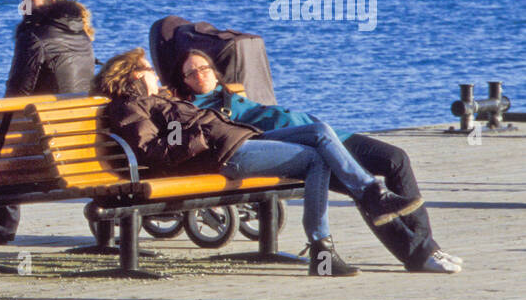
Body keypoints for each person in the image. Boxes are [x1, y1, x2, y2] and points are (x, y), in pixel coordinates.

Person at [94, 48, 422, 276]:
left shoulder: (158, 100)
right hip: (222, 156)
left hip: (239, 140)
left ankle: (361, 205)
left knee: (320, 131)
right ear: (133, 75)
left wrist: (201, 125)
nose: (154, 73)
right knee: (315, 159)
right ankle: (340, 231)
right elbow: (156, 152)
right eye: (148, 68)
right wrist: (199, 136)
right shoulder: (129, 108)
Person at [175, 49, 459, 273]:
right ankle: (419, 254)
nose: (200, 75)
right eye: (191, 73)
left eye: (204, 68)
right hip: (299, 146)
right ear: (184, 81)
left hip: (329, 135)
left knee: (396, 158)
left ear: (214, 71)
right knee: (356, 185)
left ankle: (425, 246)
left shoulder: (229, 94)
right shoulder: (197, 108)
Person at [0, 0, 96, 245]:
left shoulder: (34, 35)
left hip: (43, 145)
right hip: (75, 140)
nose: (22, 5)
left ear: (52, 1)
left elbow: (18, 93)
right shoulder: (81, 34)